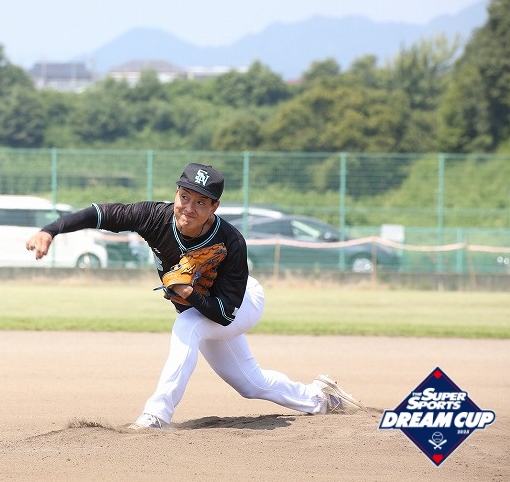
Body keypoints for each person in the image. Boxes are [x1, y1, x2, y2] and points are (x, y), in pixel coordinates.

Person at [25, 162, 364, 430]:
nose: (189, 207)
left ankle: (157, 415)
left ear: (215, 206)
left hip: (241, 302)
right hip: (203, 308)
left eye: (201, 201)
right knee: (250, 383)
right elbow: (101, 214)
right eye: (185, 196)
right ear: (176, 193)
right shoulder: (153, 217)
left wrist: (187, 293)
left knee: (188, 325)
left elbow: (225, 314)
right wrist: (50, 230)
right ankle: (321, 398)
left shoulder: (231, 241)